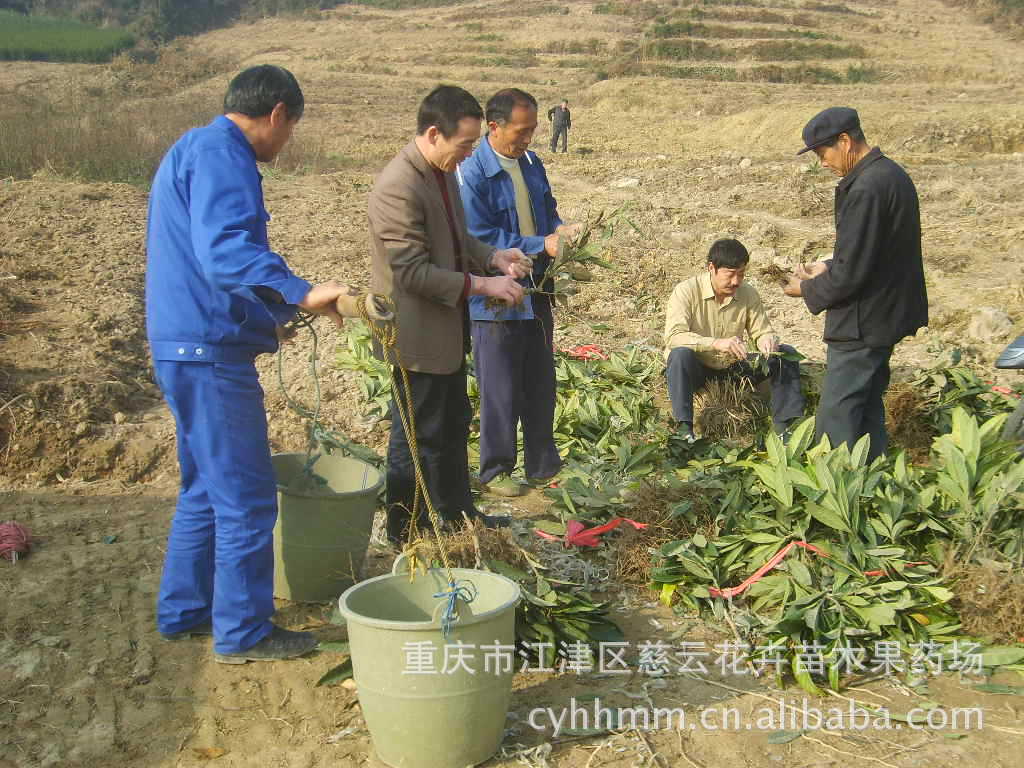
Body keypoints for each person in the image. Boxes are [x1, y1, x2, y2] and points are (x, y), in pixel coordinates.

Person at [146, 65, 353, 663]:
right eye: (289, 131)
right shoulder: (223, 154)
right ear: (278, 115)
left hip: (186, 344)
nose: (284, 144)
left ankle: (184, 611)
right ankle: (244, 631)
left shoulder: (192, 147)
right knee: (246, 497)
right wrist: (300, 289)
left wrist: (270, 318)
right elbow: (226, 252)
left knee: (204, 490)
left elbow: (203, 262)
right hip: (209, 355)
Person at [368, 85, 532, 546]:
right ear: (435, 133)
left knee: (454, 421)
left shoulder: (441, 173)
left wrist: (494, 257)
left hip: (446, 328)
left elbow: (459, 239)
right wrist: (483, 284)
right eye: (463, 145)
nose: (467, 156)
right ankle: (406, 530)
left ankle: (458, 516)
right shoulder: (398, 186)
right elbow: (412, 272)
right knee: (416, 435)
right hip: (415, 334)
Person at [784, 107, 927, 461]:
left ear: (845, 141)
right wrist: (827, 265)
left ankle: (837, 500)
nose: (823, 163)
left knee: (838, 416)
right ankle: (873, 485)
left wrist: (806, 288)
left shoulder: (866, 187)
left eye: (823, 153)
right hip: (886, 316)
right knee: (866, 411)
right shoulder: (891, 174)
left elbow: (854, 273)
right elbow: (875, 252)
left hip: (862, 323)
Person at [458, 88, 577, 497]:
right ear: (495, 126)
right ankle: (496, 469)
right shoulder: (472, 173)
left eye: (532, 131)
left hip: (538, 284)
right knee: (500, 380)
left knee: (540, 376)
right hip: (496, 288)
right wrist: (538, 245)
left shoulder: (531, 163)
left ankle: (543, 463)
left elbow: (548, 210)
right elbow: (479, 236)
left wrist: (561, 231)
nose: (528, 138)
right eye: (522, 131)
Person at [664, 238, 805, 441]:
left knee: (786, 354)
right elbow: (674, 337)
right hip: (697, 369)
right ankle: (684, 430)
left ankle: (785, 428)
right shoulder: (686, 291)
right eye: (730, 275)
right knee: (679, 355)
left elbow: (762, 330)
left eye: (741, 274)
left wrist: (767, 341)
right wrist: (715, 342)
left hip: (732, 367)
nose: (736, 281)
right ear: (711, 268)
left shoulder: (748, 293)